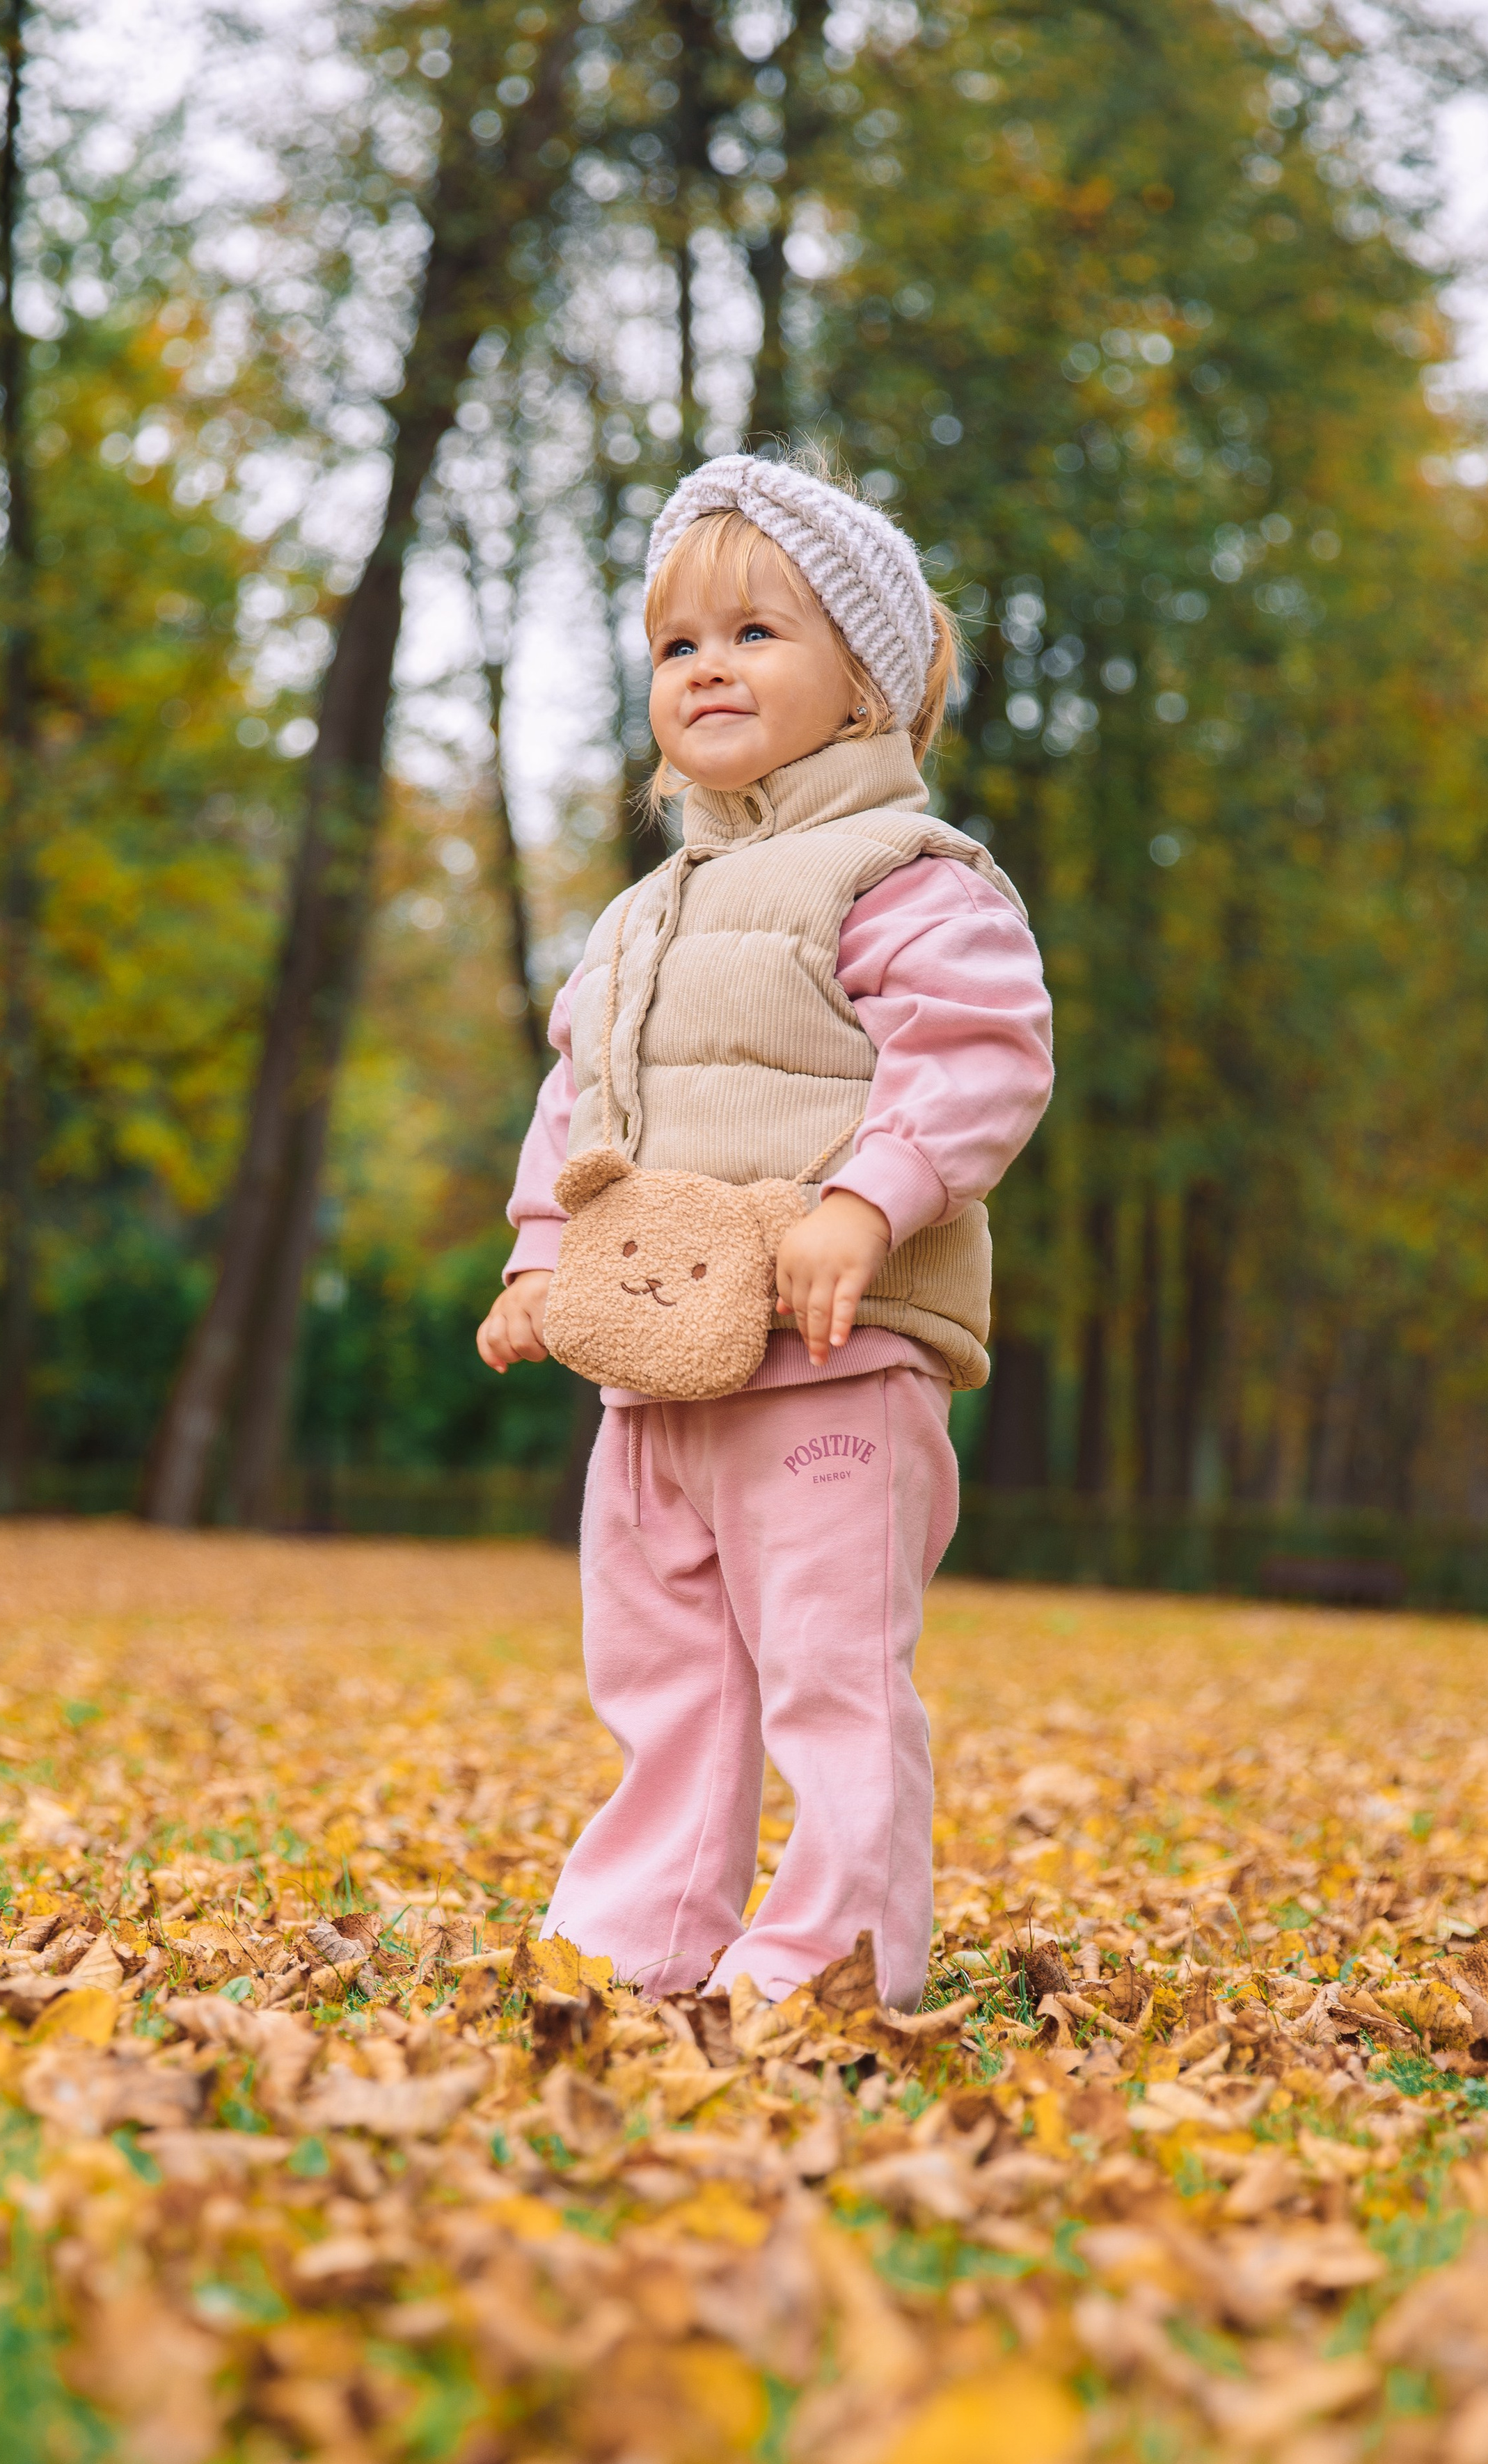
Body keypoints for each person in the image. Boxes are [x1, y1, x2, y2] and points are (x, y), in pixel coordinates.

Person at [475, 454, 1053, 2008]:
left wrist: (869, 1199)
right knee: (664, 1674)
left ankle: (833, 1959)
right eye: (677, 643)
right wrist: (541, 1258)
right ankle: (640, 1937)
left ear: (865, 683)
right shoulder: (637, 915)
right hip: (653, 1363)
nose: (707, 667)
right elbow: (578, 1103)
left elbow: (978, 1055)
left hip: (828, 1359)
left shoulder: (908, 880)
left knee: (827, 1672)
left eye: (754, 633)